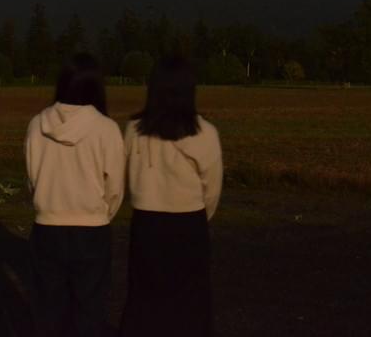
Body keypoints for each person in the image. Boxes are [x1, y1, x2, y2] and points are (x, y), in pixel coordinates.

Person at [121, 56, 223, 337]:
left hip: (146, 223)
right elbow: (212, 190)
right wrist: (200, 216)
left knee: (144, 298)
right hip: (189, 224)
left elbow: (127, 178)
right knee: (191, 303)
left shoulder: (134, 130)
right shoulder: (206, 134)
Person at [25, 53, 125, 337]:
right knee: (90, 311)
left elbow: (33, 178)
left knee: (48, 311)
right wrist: (100, 214)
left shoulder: (36, 125)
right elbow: (115, 187)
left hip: (47, 228)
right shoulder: (106, 129)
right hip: (92, 230)